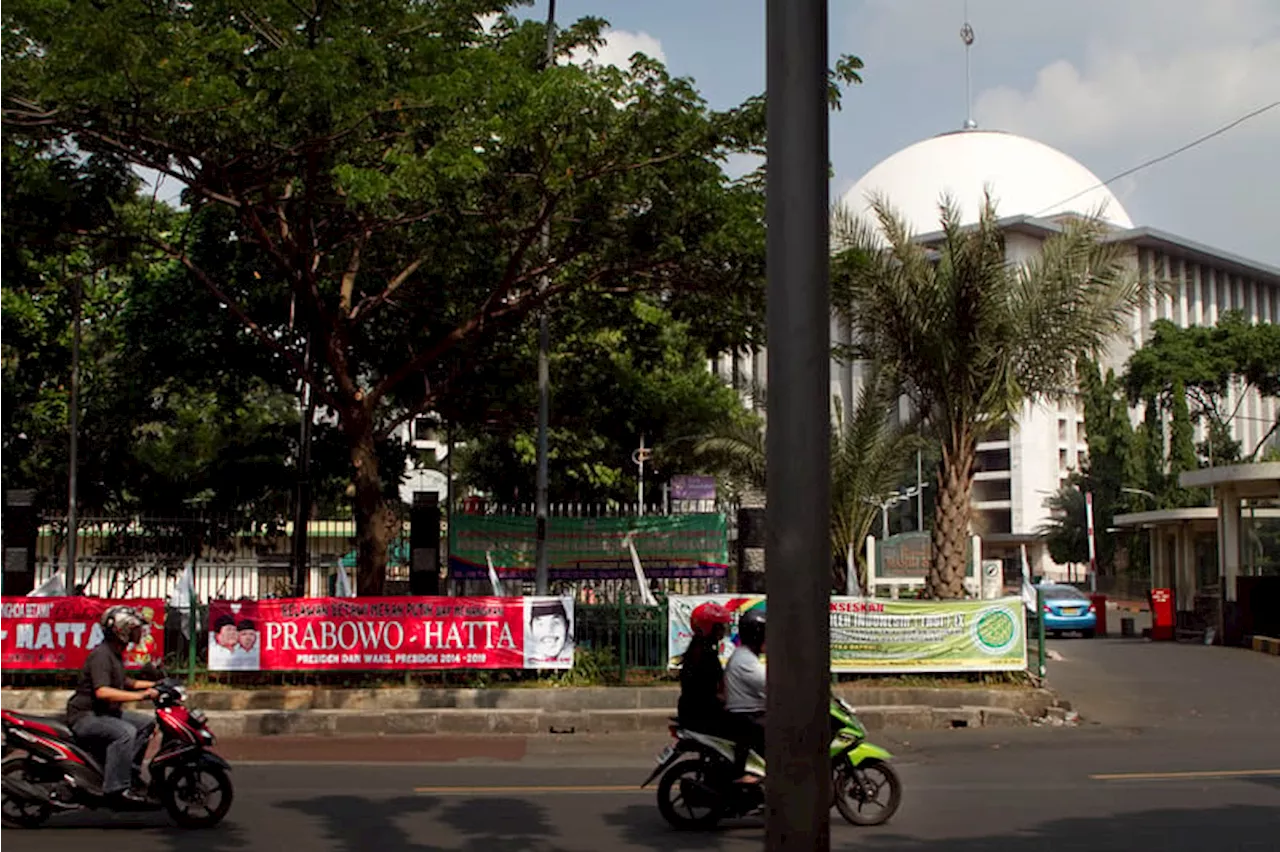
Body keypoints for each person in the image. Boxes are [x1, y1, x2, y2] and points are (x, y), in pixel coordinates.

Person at [65, 606, 159, 805]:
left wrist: (157, 686)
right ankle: (116, 788)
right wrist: (141, 696)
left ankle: (128, 773)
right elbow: (103, 691)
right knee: (125, 733)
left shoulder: (115, 653)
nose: (138, 633)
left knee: (146, 724)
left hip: (103, 714)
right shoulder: (101, 655)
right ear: (121, 630)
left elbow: (125, 682)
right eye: (134, 628)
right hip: (86, 716)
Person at [724, 606, 766, 784]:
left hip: (751, 712)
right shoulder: (746, 660)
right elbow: (772, 685)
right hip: (746, 716)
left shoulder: (748, 656)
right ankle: (755, 777)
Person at [678, 602, 731, 735]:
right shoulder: (704, 655)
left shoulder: (699, 649)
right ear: (710, 628)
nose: (724, 630)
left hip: (693, 710)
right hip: (702, 713)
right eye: (720, 626)